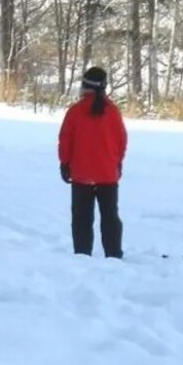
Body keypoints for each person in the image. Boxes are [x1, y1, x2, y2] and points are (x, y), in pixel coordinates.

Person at [57, 66, 128, 258]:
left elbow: (65, 140)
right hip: (107, 175)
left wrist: (65, 163)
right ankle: (113, 255)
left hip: (81, 175)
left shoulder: (75, 111)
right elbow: (122, 141)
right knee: (110, 217)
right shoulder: (113, 112)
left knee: (81, 219)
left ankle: (82, 255)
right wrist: (116, 163)